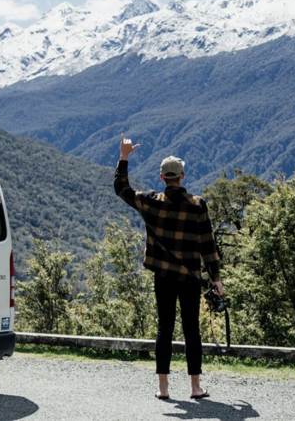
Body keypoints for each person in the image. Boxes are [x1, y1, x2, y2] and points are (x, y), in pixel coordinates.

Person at [113, 134, 223, 400]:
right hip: (190, 278)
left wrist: (124, 157)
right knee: (191, 330)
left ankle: (163, 388)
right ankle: (195, 388)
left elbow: (121, 189)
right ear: (182, 176)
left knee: (165, 328)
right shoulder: (198, 206)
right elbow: (208, 246)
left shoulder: (151, 202)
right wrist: (216, 279)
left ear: (163, 178)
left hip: (162, 276)